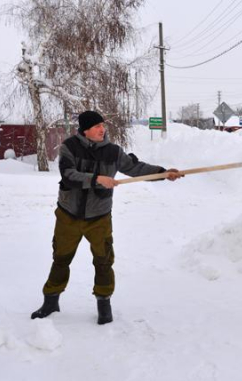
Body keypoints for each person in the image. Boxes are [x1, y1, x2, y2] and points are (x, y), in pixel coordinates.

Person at [31, 110, 182, 324]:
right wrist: (98, 179)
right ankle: (50, 301)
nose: (102, 129)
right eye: (96, 127)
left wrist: (163, 173)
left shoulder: (113, 151)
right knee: (61, 258)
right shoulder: (69, 148)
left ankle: (104, 303)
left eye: (103, 125)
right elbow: (69, 175)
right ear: (85, 130)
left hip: (99, 215)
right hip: (69, 214)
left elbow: (134, 167)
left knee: (103, 261)